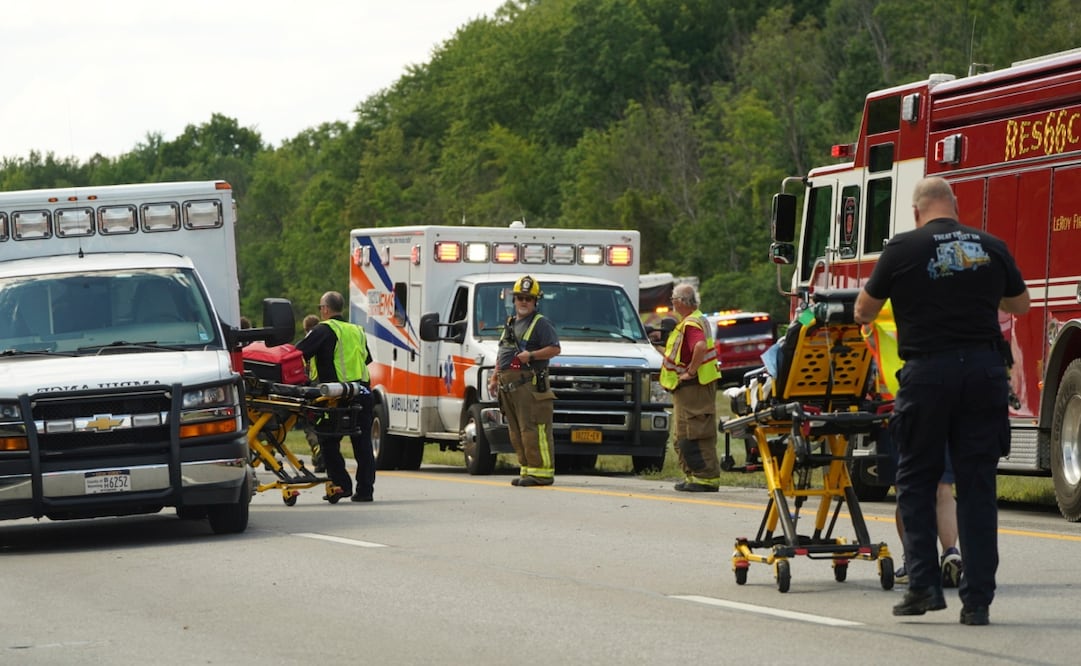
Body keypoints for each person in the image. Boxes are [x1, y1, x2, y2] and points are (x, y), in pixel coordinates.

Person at [854, 176, 1029, 626]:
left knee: (916, 480)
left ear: (917, 211)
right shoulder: (990, 245)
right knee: (977, 486)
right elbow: (1021, 304)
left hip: (928, 374)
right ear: (954, 206)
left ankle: (924, 587)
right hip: (984, 374)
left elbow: (864, 310)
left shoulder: (902, 249)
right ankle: (978, 602)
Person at [296, 292, 376, 503]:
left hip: (335, 396)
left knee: (328, 440)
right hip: (362, 392)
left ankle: (341, 484)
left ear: (325, 309)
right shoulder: (357, 330)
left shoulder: (323, 330)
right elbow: (367, 359)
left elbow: (299, 353)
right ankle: (365, 490)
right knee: (363, 443)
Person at [486, 276, 561, 487]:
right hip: (508, 386)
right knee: (516, 430)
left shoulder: (541, 323)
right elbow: (503, 353)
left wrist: (532, 355)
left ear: (536, 301)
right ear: (514, 300)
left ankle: (542, 473)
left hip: (529, 385)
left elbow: (555, 348)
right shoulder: (511, 323)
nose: (524, 302)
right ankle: (527, 470)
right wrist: (494, 378)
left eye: (529, 298)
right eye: (520, 298)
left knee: (533, 429)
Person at [661, 283, 721, 492]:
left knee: (693, 432)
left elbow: (700, 346)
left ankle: (704, 478)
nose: (672, 304)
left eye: (673, 300)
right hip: (689, 387)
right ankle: (694, 476)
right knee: (685, 433)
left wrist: (691, 371)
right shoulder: (694, 320)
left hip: (694, 386)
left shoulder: (692, 323)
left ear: (680, 301)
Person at [301, 313, 324, 473]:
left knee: (310, 427)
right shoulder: (324, 340)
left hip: (311, 389)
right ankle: (322, 456)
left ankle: (318, 454)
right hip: (326, 388)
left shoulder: (306, 344)